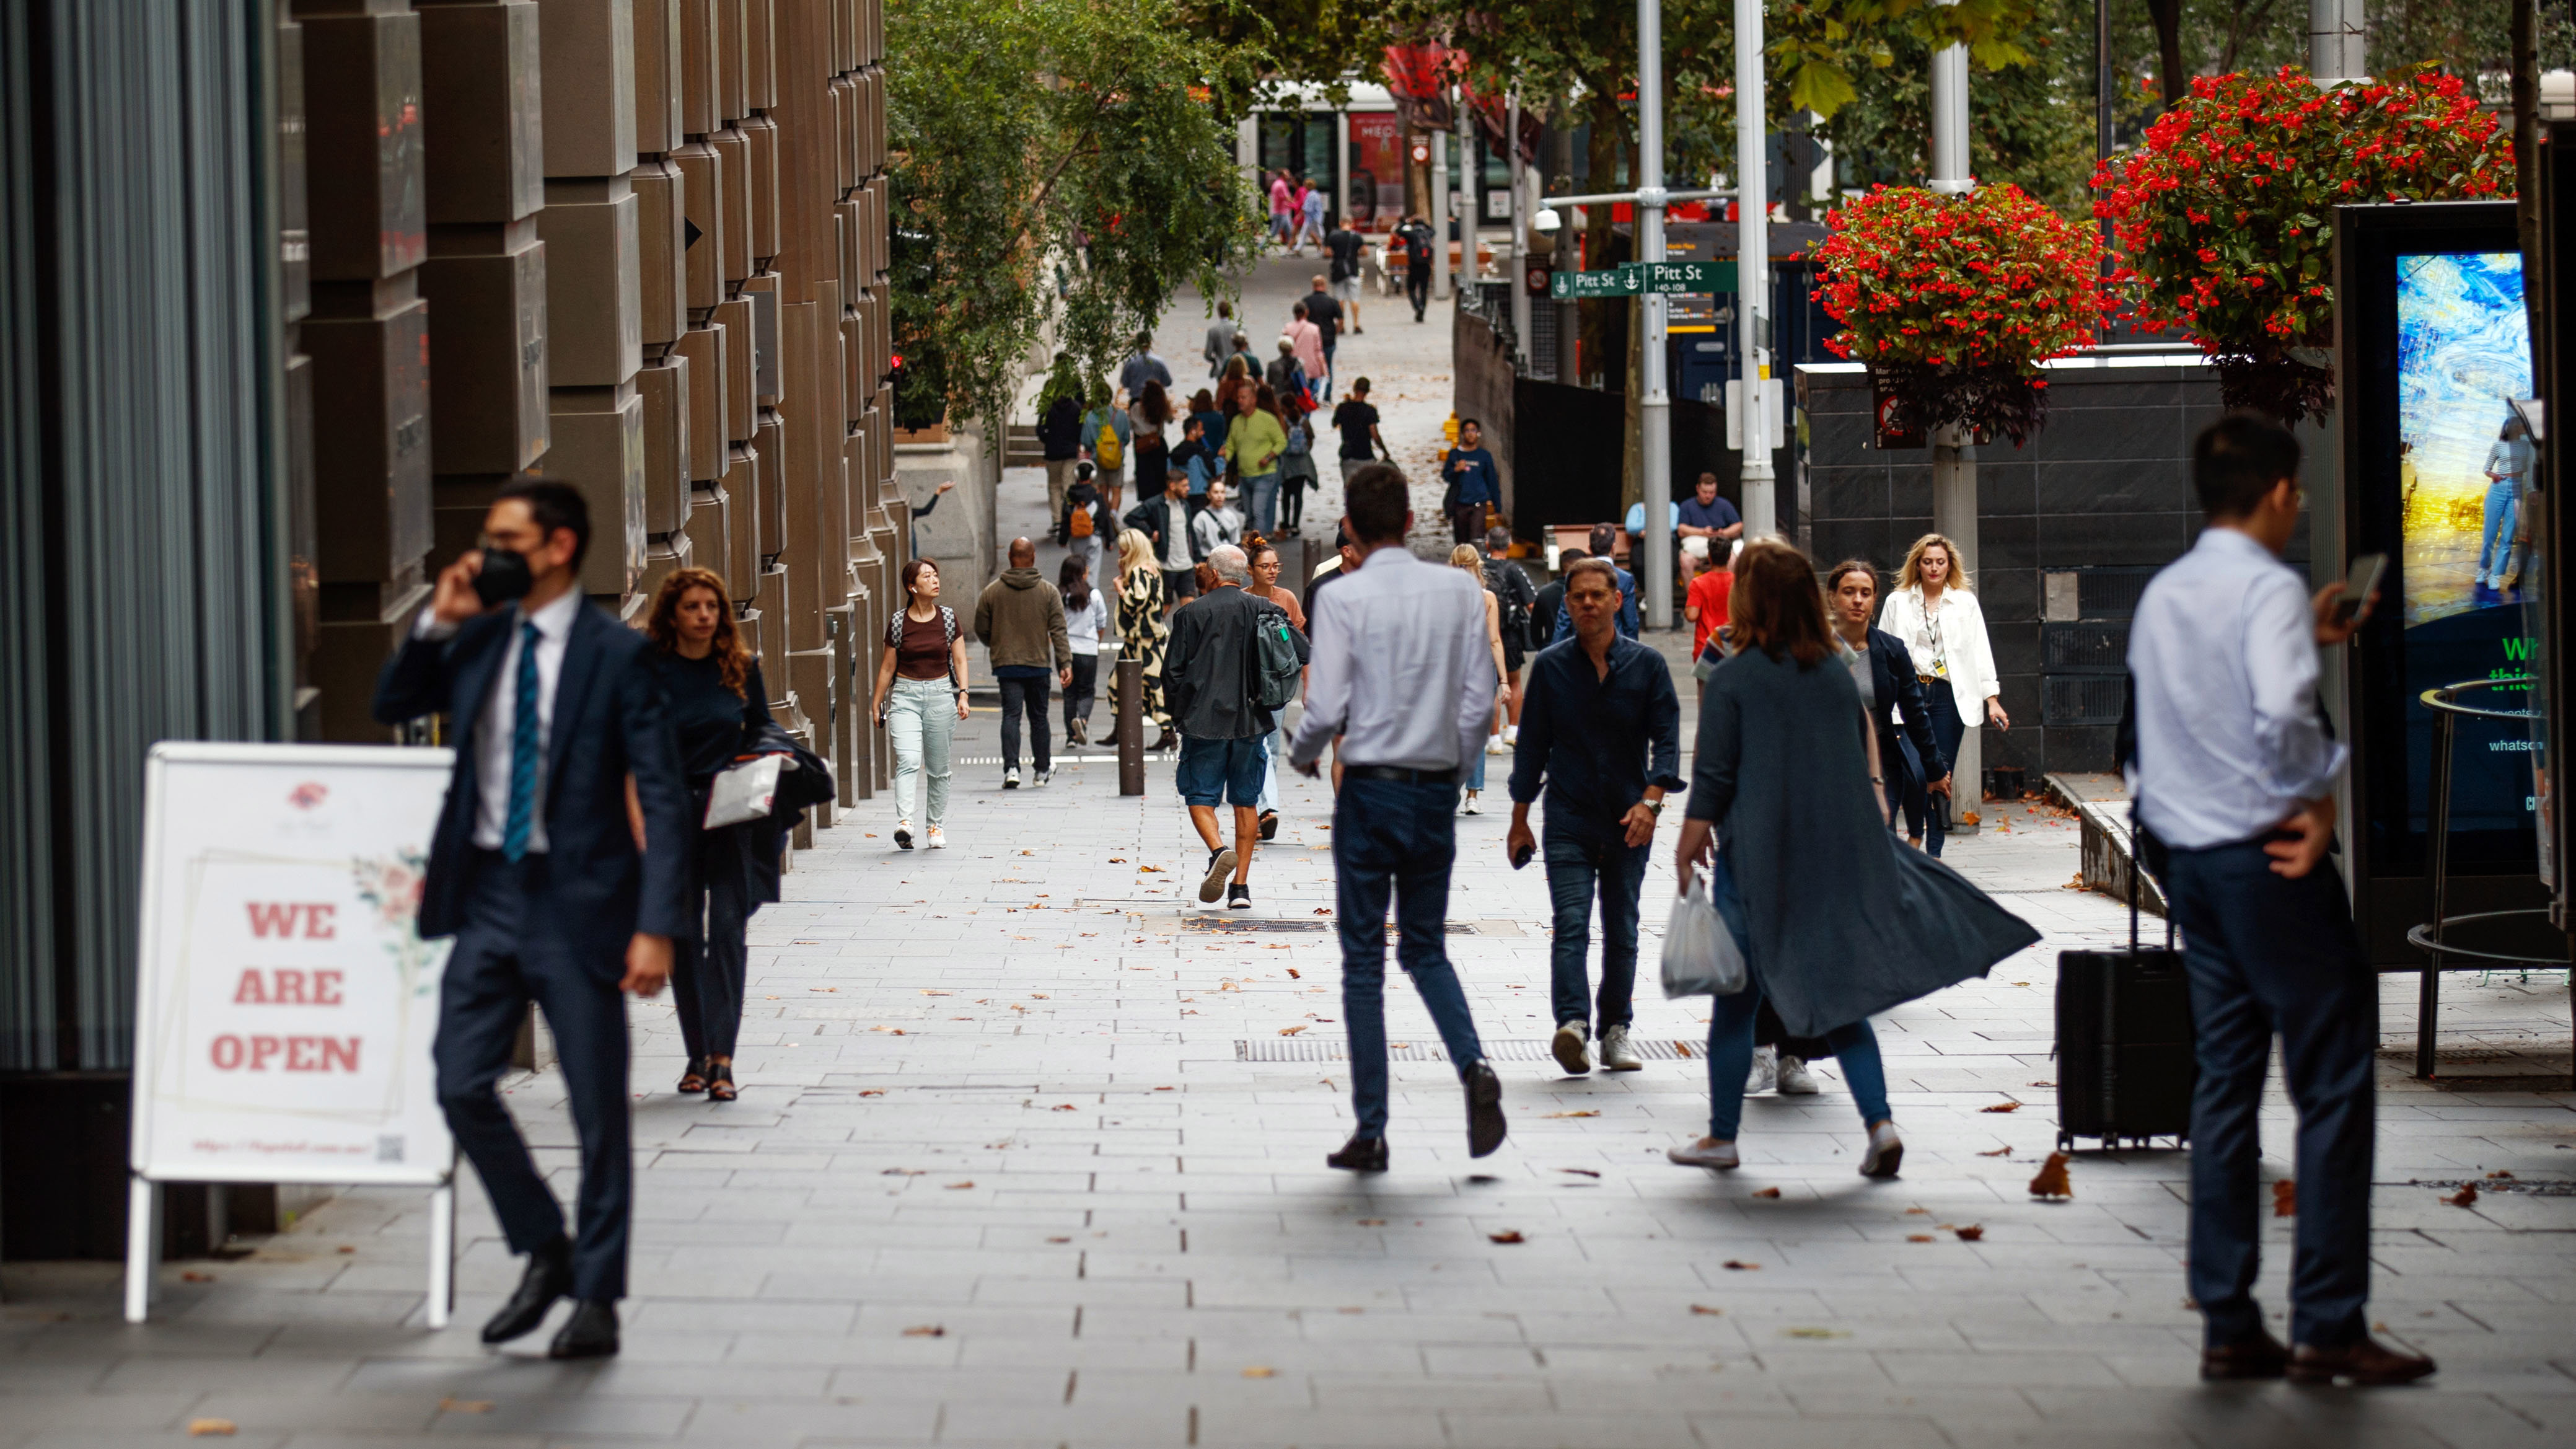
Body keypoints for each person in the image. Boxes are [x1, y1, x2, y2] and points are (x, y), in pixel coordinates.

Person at [2130, 414, 2430, 1388]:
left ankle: (2227, 1317)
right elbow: (2280, 713)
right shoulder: (2265, 587)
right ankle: (2328, 1321)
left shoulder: (2166, 593)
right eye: (2295, 492)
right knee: (2334, 1076)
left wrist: (2305, 628)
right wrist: (2319, 796)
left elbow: (2170, 720)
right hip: (2271, 859)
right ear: (2275, 493)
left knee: (2225, 1077)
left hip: (2195, 866)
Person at [369, 480, 691, 1360]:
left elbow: (662, 795)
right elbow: (394, 702)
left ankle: (597, 1296)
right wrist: (437, 620)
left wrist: (657, 924)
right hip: (485, 897)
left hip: (579, 902)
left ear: (555, 547)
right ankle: (546, 1245)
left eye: (503, 537)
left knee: (596, 1112)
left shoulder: (617, 657)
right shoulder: (475, 638)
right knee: (459, 1081)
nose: (483, 552)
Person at [1667, 539, 2038, 1177]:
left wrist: (1688, 839)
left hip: (1753, 855)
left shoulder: (1732, 675)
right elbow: (1855, 749)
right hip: (1827, 853)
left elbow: (1714, 771)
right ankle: (1879, 1122)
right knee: (1838, 997)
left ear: (1749, 597)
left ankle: (1722, 1135)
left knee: (1737, 999)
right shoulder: (1834, 672)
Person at [1288, 463, 1506, 1171]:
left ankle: (1372, 1127)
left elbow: (1323, 706)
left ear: (1347, 526)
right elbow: (1482, 699)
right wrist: (1452, 761)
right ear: (1412, 522)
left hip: (1370, 787)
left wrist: (1304, 753)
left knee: (1362, 960)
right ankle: (1472, 1064)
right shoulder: (1457, 591)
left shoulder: (1342, 598)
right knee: (1424, 946)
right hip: (1433, 788)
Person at [1508, 557, 1684, 1077]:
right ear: (1567, 604)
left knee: (1622, 929)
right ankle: (1572, 1026)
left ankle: (1615, 1031)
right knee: (1570, 924)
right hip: (1567, 816)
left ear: (1617, 600)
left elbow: (1669, 741)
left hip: (1630, 820)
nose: (1588, 603)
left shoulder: (1647, 666)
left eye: (1597, 595)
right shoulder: (1552, 667)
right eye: (1578, 596)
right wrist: (1519, 818)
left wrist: (1651, 802)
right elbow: (1532, 747)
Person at [645, 569, 786, 1107]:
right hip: (672, 818)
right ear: (673, 616)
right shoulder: (652, 672)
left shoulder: (741, 669)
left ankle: (721, 1058)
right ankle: (696, 1052)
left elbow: (762, 730)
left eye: (711, 606)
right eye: (692, 607)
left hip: (730, 816)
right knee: (682, 937)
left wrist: (768, 761)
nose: (704, 615)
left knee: (727, 930)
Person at [1166, 544, 1297, 909]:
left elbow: (1173, 672)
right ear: (1242, 574)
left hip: (1203, 720)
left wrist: (1178, 716)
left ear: (1211, 573)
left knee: (1199, 797)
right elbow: (1297, 651)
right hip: (1251, 719)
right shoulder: (1266, 610)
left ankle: (1218, 850)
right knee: (1245, 800)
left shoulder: (1190, 614)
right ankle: (1240, 888)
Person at [1878, 532, 2007, 857]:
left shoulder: (1964, 603)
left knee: (1940, 775)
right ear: (1917, 565)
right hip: (1908, 694)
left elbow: (1980, 651)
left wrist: (1991, 698)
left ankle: (1933, 852)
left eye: (1940, 562)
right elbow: (1883, 651)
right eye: (1927, 562)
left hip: (1949, 697)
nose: (1934, 568)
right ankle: (1914, 838)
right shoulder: (1898, 601)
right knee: (1917, 772)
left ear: (1949, 566)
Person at [1826, 559, 1949, 849]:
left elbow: (1915, 712)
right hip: (1829, 760)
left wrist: (1935, 769)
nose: (1858, 600)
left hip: (1880, 760)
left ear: (1874, 600)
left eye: (1866, 593)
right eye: (1849, 592)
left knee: (1882, 838)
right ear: (1833, 597)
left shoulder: (1891, 650)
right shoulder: (1814, 649)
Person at [874, 557, 970, 850]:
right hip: (905, 695)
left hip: (941, 695)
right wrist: (876, 703)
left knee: (939, 768)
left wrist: (963, 694)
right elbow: (888, 667)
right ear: (912, 587)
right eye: (927, 577)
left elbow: (960, 659)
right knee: (909, 760)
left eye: (935, 575)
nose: (934, 580)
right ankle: (905, 823)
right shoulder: (899, 622)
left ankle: (934, 825)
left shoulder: (949, 618)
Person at [972, 537, 1073, 789]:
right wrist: (1065, 662)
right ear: (1034, 557)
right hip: (1038, 663)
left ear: (1009, 556)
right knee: (1039, 717)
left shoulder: (992, 592)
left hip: (1007, 664)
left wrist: (997, 645)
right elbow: (1059, 630)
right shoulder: (1048, 592)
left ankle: (1012, 769)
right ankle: (1041, 770)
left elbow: (981, 628)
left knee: (1011, 715)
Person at [1247, 534, 1308, 840]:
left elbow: (1301, 646)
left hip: (1280, 687)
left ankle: (1262, 813)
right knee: (1258, 747)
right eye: (1265, 566)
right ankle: (1267, 807)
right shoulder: (1242, 600)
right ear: (1250, 569)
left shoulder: (1286, 599)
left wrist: (1307, 685)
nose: (1272, 571)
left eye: (1276, 566)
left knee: (1270, 748)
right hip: (1248, 686)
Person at [1449, 545, 1512, 815]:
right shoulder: (1487, 598)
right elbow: (1495, 640)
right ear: (1478, 564)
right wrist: (1504, 680)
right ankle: (1473, 795)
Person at [1114, 528, 1176, 751]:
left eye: (1123, 548)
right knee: (1121, 682)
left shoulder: (1141, 571)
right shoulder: (1150, 570)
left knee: (1151, 683)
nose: (1120, 552)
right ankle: (1121, 727)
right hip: (1141, 637)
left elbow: (1135, 603)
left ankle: (1167, 730)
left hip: (1145, 638)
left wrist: (1121, 588)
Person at [1480, 526, 1538, 744]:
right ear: (1510, 546)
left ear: (1487, 545)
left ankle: (1493, 738)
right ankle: (1513, 731)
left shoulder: (1480, 568)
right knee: (1513, 682)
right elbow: (1532, 603)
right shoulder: (1515, 570)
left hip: (1485, 635)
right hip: (1510, 634)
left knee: (1490, 686)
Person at [1125, 469, 1200, 612]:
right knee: (1164, 607)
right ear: (1172, 486)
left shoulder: (1185, 505)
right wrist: (1150, 532)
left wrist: (1196, 558)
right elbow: (1131, 517)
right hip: (1166, 566)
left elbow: (1191, 533)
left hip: (1186, 566)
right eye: (1184, 486)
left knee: (1189, 609)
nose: (1188, 489)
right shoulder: (1155, 504)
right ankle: (1159, 633)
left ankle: (1185, 634)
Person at [1221, 382, 1289, 537]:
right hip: (1245, 475)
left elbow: (1281, 441)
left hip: (1265, 474)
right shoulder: (1236, 422)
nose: (1240, 401)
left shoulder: (1267, 420)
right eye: (1238, 398)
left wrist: (1269, 457)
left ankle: (1259, 548)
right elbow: (1231, 444)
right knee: (1249, 514)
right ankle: (1256, 543)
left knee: (1258, 511)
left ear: (1253, 400)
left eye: (1244, 397)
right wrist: (1224, 458)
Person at [1549, 525, 1638, 641]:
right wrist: (1632, 651)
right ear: (1613, 548)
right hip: (1614, 644)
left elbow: (1564, 620)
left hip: (1581, 644)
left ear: (1590, 549)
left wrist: (1556, 651)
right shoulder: (1625, 579)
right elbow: (1630, 622)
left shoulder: (1575, 576)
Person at [2479, 415, 2536, 594]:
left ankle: (2496, 575)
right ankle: (2483, 568)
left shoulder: (2526, 446)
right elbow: (2486, 468)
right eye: (2516, 425)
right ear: (2507, 428)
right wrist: (2493, 475)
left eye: (2520, 425)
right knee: (2489, 535)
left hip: (2517, 489)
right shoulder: (2498, 445)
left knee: (2508, 537)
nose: (2519, 427)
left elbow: (2532, 466)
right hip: (2498, 487)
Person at [1060, 554, 1109, 746]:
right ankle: (1082, 720)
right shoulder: (1094, 595)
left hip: (1066, 650)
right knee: (1087, 690)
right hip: (1088, 649)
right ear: (1082, 573)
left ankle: (1070, 737)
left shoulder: (1061, 595)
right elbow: (1102, 621)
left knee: (1069, 693)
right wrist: (1096, 641)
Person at [1036, 365, 1084, 536]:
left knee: (1054, 486)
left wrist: (1048, 440)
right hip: (1070, 452)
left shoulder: (1048, 408)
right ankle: (1069, 517)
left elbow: (1040, 430)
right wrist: (1076, 443)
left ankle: (1057, 520)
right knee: (1068, 486)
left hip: (1053, 452)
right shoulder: (1076, 407)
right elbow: (1080, 429)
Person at [1440, 418, 1500, 547]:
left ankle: (1475, 566)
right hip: (1460, 504)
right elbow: (1446, 476)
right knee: (1462, 543)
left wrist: (1497, 507)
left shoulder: (1484, 456)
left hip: (1478, 504)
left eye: (1473, 430)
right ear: (1462, 433)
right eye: (1467, 430)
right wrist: (1456, 470)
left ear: (1479, 433)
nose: (1470, 434)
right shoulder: (1455, 454)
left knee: (1476, 541)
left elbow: (1492, 482)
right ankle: (1462, 566)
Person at [1676, 472, 1744, 579]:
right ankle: (1692, 595)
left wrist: (1723, 533)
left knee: (1733, 560)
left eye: (1712, 493)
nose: (1708, 496)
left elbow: (1739, 526)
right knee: (1685, 560)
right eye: (1705, 492)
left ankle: (1727, 594)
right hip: (1697, 547)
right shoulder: (1687, 505)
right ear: (1698, 489)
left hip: (1721, 547)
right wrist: (1703, 532)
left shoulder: (1724, 504)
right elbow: (1681, 529)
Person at [1078, 381, 1132, 511]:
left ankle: (1105, 516)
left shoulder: (1090, 417)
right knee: (1116, 490)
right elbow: (1126, 438)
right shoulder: (1121, 415)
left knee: (1102, 489)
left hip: (1098, 459)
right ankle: (1114, 515)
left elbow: (1085, 441)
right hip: (1116, 458)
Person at [1332, 378, 1386, 496]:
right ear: (1368, 391)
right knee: (1367, 493)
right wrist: (1384, 451)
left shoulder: (1343, 407)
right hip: (1366, 456)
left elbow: (1334, 424)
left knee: (1349, 492)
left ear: (1354, 389)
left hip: (1348, 456)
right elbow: (1375, 436)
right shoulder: (1370, 411)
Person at [1685, 540, 1734, 664]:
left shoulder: (1698, 583)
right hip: (1733, 645)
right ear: (1729, 557)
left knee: (1705, 684)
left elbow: (1692, 615)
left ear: (1709, 556)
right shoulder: (1739, 582)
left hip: (1706, 647)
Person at [1128, 380, 1174, 506]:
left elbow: (1130, 425)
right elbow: (1170, 420)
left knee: (1144, 476)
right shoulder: (1162, 407)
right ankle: (1160, 502)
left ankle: (1146, 504)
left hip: (1142, 445)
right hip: (1158, 444)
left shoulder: (1137, 408)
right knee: (1159, 476)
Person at [1278, 402, 1318, 534]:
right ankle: (1296, 524)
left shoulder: (1284, 422)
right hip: (1302, 465)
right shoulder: (1304, 422)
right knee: (1298, 495)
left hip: (1287, 464)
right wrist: (1306, 450)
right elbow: (1311, 438)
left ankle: (1286, 522)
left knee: (1286, 495)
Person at [1303, 275, 1344, 400]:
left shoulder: (1307, 302)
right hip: (1328, 339)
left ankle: (1313, 393)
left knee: (1313, 367)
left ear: (1313, 286)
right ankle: (1327, 394)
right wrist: (1335, 332)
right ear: (1325, 286)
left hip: (1312, 341)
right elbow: (1341, 319)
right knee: (1328, 367)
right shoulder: (1332, 302)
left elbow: (1303, 320)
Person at [1326, 218, 1366, 334]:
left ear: (1341, 223)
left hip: (1338, 271)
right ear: (1352, 224)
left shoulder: (1333, 236)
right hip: (1353, 269)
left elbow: (1327, 253)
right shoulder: (1357, 237)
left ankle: (1341, 325)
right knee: (1355, 298)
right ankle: (1356, 324)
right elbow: (1365, 252)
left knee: (1340, 299)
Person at [1396, 213, 1436, 322]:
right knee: (1424, 289)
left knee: (1411, 288)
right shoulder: (1428, 233)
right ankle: (1422, 308)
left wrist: (1406, 222)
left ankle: (1417, 306)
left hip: (1414, 266)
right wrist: (1425, 223)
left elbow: (1398, 231)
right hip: (1426, 266)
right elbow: (1434, 230)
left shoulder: (1411, 234)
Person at [903, 478, 955, 560]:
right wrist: (939, 491)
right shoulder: (906, 513)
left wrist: (939, 491)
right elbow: (926, 511)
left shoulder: (907, 512)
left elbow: (926, 511)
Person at [1191, 478, 1242, 557]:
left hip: (1227, 559)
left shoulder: (1231, 516)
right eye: (1216, 492)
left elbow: (1236, 542)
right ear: (1208, 495)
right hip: (1208, 559)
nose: (1219, 496)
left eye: (1222, 492)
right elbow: (1195, 543)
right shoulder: (1201, 517)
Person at [1285, 302, 1325, 400]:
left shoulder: (1288, 328)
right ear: (1306, 312)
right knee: (1309, 396)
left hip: (1293, 367)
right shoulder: (1314, 329)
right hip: (1311, 366)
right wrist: (1323, 368)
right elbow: (1318, 350)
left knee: (1296, 395)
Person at [1118, 331, 1172, 401]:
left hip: (1137, 400)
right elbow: (1168, 382)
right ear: (1150, 343)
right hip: (1156, 401)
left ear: (1137, 343)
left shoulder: (1130, 362)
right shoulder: (1159, 362)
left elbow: (1125, 383)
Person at [1265, 337, 1308, 413]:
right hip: (1296, 399)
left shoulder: (1273, 365)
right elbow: (1304, 383)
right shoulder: (1298, 365)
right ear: (1292, 348)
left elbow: (1269, 383)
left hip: (1279, 399)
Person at [1187, 388, 1228, 456]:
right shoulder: (1220, 417)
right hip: (1217, 453)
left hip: (1199, 455)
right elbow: (1223, 437)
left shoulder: (1194, 419)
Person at [1203, 301, 1237, 379]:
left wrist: (1216, 361)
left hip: (1221, 368)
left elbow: (1208, 354)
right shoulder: (1240, 328)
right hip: (1238, 368)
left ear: (1219, 313)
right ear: (1231, 312)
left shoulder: (1213, 331)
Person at [1298, 183, 1326, 255]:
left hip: (1312, 218)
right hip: (1316, 218)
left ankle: (1322, 250)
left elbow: (1307, 208)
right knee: (1305, 233)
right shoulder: (1317, 194)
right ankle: (1298, 249)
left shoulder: (1310, 195)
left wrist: (1300, 215)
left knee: (1318, 235)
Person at [1269, 170, 1296, 246]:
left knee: (1289, 232)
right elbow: (1287, 198)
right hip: (1281, 213)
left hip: (1283, 212)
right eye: (1287, 174)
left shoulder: (1277, 183)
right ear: (1282, 175)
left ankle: (1294, 248)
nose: (1289, 176)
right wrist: (1297, 203)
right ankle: (1260, 248)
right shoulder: (1281, 185)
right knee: (1273, 233)